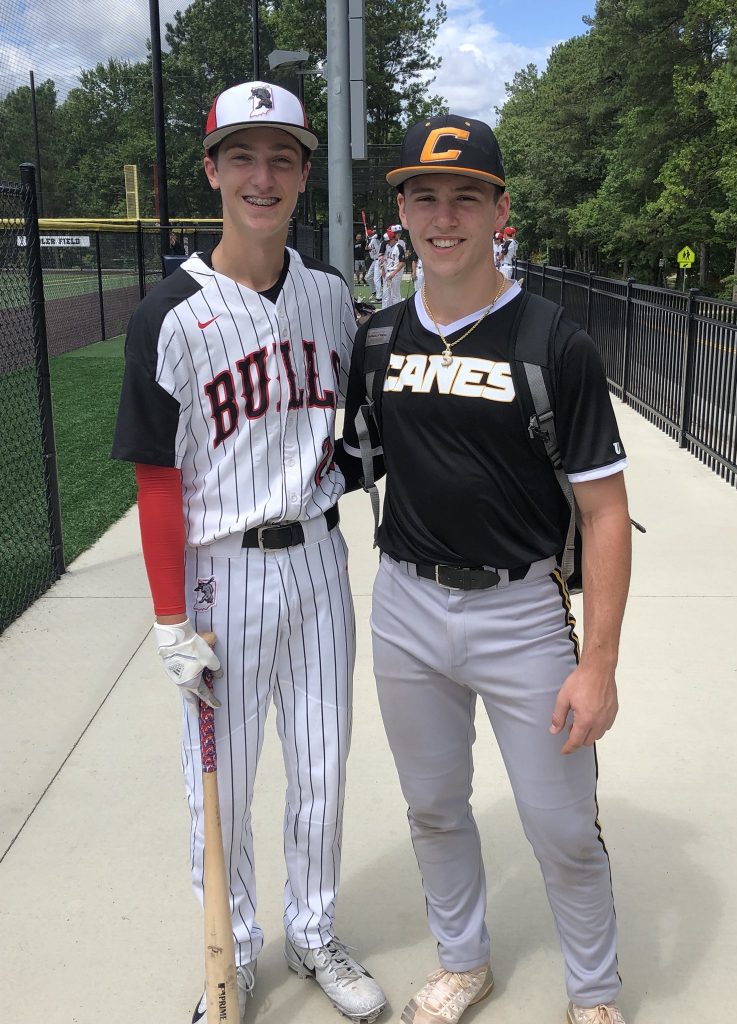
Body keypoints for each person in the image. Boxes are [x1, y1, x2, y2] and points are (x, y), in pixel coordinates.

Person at [340, 113, 632, 1024]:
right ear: (401, 211)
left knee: (559, 826)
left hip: (522, 613)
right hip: (406, 607)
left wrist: (601, 664)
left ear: (500, 210)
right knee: (433, 807)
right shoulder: (379, 341)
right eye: (424, 195)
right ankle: (464, 962)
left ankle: (594, 995)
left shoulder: (554, 343)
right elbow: (346, 464)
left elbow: (606, 511)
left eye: (466, 195)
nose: (443, 214)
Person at [112, 80, 386, 1024]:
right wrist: (166, 616)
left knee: (321, 769)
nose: (261, 176)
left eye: (282, 157)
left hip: (316, 561)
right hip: (218, 573)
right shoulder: (170, 315)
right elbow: (157, 479)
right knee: (218, 793)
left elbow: (354, 434)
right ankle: (228, 957)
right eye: (243, 156)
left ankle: (314, 934)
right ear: (212, 169)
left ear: (306, 174)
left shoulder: (329, 298)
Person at [380, 224, 406, 309]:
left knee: (395, 295)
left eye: (388, 241)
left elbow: (402, 263)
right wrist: (383, 269)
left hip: (395, 273)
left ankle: (397, 313)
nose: (387, 243)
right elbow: (385, 260)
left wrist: (393, 274)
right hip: (388, 272)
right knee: (386, 295)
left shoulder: (399, 247)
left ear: (392, 239)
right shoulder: (388, 247)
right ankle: (384, 313)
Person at [365, 227, 384, 300]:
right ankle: (374, 292)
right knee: (368, 277)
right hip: (374, 261)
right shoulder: (369, 241)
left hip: (379, 260)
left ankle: (379, 296)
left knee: (376, 278)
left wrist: (372, 234)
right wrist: (367, 241)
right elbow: (366, 249)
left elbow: (378, 235)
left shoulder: (375, 239)